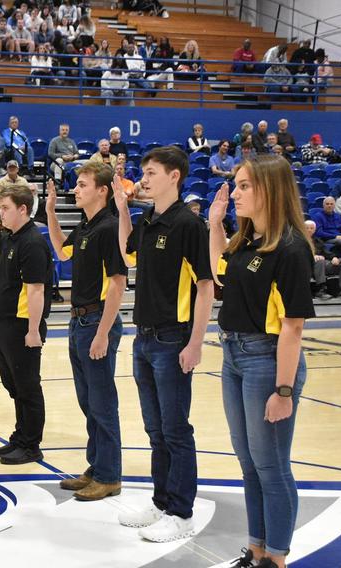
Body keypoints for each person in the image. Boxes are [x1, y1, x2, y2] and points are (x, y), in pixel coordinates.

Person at [208, 156, 315, 568]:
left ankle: (277, 559)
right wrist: (216, 224)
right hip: (234, 356)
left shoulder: (289, 249)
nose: (234, 193)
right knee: (250, 463)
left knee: (271, 466)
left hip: (266, 361)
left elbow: (292, 327)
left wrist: (283, 390)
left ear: (269, 189)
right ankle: (256, 552)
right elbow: (220, 275)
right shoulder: (247, 240)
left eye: (244, 186)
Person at [113, 146, 214, 542]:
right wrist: (123, 209)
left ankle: (182, 513)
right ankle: (160, 502)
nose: (145, 178)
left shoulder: (190, 224)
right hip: (143, 337)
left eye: (152, 172)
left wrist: (196, 342)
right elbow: (127, 253)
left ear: (174, 176)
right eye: (144, 172)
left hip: (174, 338)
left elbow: (205, 286)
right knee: (155, 430)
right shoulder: (148, 217)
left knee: (175, 430)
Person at [47, 161, 128, 501]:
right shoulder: (86, 225)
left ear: (102, 191)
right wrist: (51, 212)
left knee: (102, 402)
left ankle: (110, 476)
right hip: (79, 321)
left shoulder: (110, 228)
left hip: (97, 322)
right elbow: (61, 252)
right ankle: (97, 467)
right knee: (88, 402)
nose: (76, 189)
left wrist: (102, 332)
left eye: (82, 185)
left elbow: (119, 282)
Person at [0, 183, 53, 464]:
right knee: (15, 386)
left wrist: (32, 331)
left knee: (28, 387)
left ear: (23, 209)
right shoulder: (11, 238)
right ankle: (19, 438)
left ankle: (31, 445)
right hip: (4, 324)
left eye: (5, 208)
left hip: (23, 327)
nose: (0, 214)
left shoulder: (32, 242)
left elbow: (36, 290)